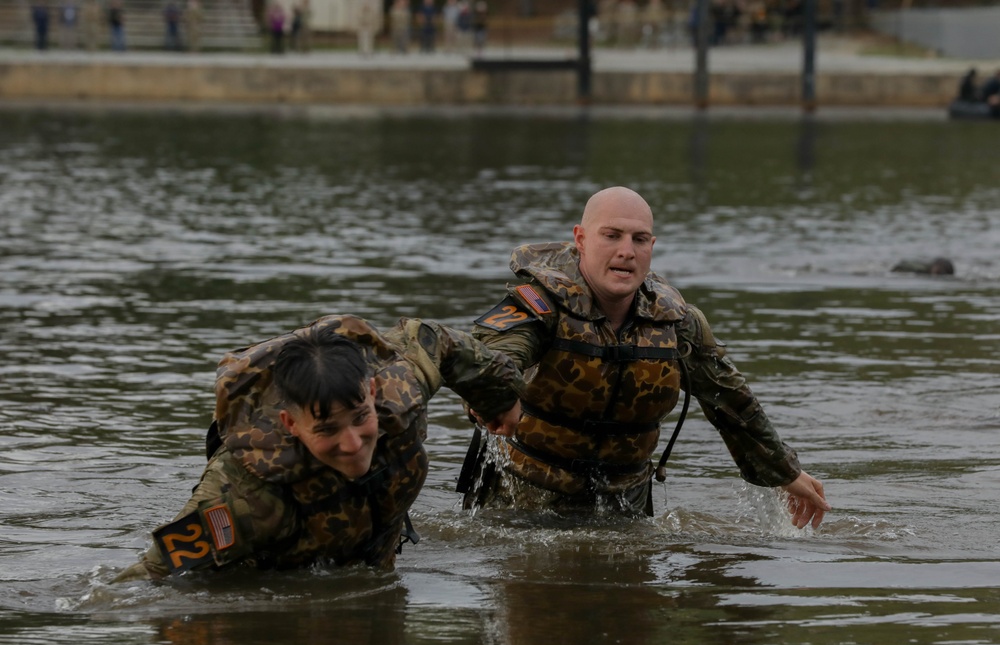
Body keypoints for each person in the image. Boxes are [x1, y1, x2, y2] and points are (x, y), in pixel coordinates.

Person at [460, 186, 830, 530]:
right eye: (612, 235)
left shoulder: (677, 323)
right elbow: (492, 359)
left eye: (639, 239)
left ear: (651, 246)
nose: (627, 251)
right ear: (581, 240)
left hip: (626, 502)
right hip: (521, 501)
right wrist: (496, 396)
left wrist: (785, 473)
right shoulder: (537, 305)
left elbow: (731, 400)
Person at [116, 315, 523, 581]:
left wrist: (499, 400)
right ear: (290, 424)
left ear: (372, 391)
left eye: (360, 418)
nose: (353, 444)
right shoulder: (242, 495)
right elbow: (145, 579)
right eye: (328, 429)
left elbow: (439, 341)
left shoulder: (402, 389)